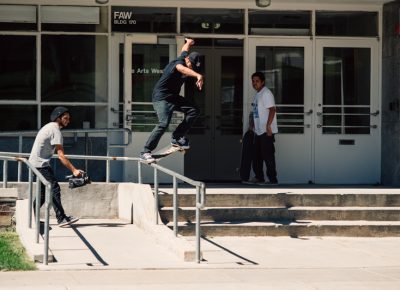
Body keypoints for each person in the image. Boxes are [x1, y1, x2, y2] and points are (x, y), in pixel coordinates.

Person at [139, 38, 204, 163]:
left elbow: (184, 50)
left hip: (173, 97)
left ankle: (177, 137)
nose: (192, 68)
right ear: (187, 60)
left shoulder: (185, 56)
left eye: (195, 68)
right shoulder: (179, 63)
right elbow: (181, 68)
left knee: (194, 110)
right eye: (191, 65)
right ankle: (145, 151)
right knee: (163, 123)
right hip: (161, 98)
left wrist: (188, 42)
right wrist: (197, 75)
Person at [29, 106, 83, 227]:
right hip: (40, 165)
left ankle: (30, 217)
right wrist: (74, 170)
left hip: (36, 164)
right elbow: (61, 156)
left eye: (69, 118)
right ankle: (61, 218)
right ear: (58, 118)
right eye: (65, 118)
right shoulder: (55, 130)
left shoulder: (50, 127)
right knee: (54, 189)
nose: (68, 120)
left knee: (43, 193)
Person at [250, 72, 278, 185]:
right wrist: (251, 125)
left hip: (266, 131)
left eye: (257, 81)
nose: (254, 83)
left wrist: (268, 126)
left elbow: (272, 110)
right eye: (253, 81)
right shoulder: (258, 94)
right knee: (256, 156)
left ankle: (272, 180)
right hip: (258, 131)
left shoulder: (266, 93)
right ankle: (259, 177)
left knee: (268, 156)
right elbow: (255, 111)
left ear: (262, 82)